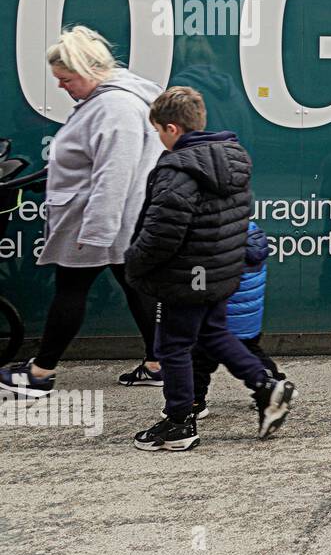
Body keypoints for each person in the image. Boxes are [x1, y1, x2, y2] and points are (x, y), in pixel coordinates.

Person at [124, 87, 295, 451]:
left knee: (173, 346)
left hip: (186, 274)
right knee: (214, 334)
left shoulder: (177, 169)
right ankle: (266, 386)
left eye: (158, 131)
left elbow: (163, 233)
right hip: (219, 270)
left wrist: (135, 261)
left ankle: (179, 424)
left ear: (172, 128)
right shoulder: (231, 158)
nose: (159, 139)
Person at [0, 27, 163, 399]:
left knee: (71, 290)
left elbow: (114, 175)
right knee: (136, 288)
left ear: (88, 70)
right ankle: (160, 364)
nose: (60, 86)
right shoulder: (115, 99)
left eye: (66, 79)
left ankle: (40, 373)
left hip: (98, 220)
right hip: (118, 221)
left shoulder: (114, 107)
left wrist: (95, 232)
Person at [187, 220, 284, 419]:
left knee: (198, 361)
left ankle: (194, 403)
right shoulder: (251, 231)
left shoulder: (217, 239)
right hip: (248, 318)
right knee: (252, 353)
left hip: (224, 319)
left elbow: (206, 280)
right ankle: (276, 385)